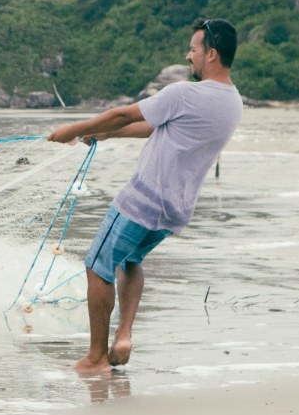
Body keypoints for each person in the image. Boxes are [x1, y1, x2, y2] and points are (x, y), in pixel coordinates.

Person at [48, 18, 242, 374]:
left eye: (194, 49)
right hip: (175, 211)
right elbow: (154, 126)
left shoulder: (185, 93)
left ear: (211, 54)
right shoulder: (233, 103)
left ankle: (96, 358)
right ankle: (123, 334)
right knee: (130, 261)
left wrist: (73, 129)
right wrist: (108, 135)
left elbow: (123, 113)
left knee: (97, 267)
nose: (188, 55)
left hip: (142, 200)